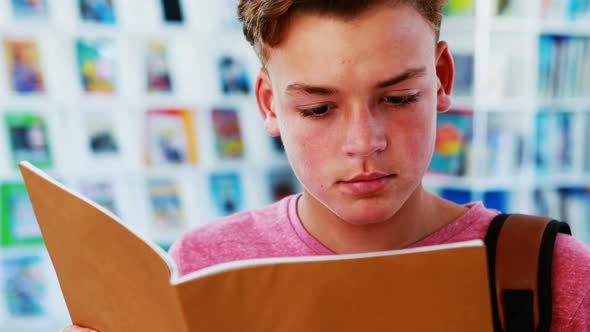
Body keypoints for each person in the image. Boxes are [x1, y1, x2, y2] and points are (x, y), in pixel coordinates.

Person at [63, 0, 590, 331]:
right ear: (269, 104)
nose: (364, 143)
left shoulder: (554, 273)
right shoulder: (202, 265)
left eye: (399, 97)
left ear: (442, 78)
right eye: (318, 109)